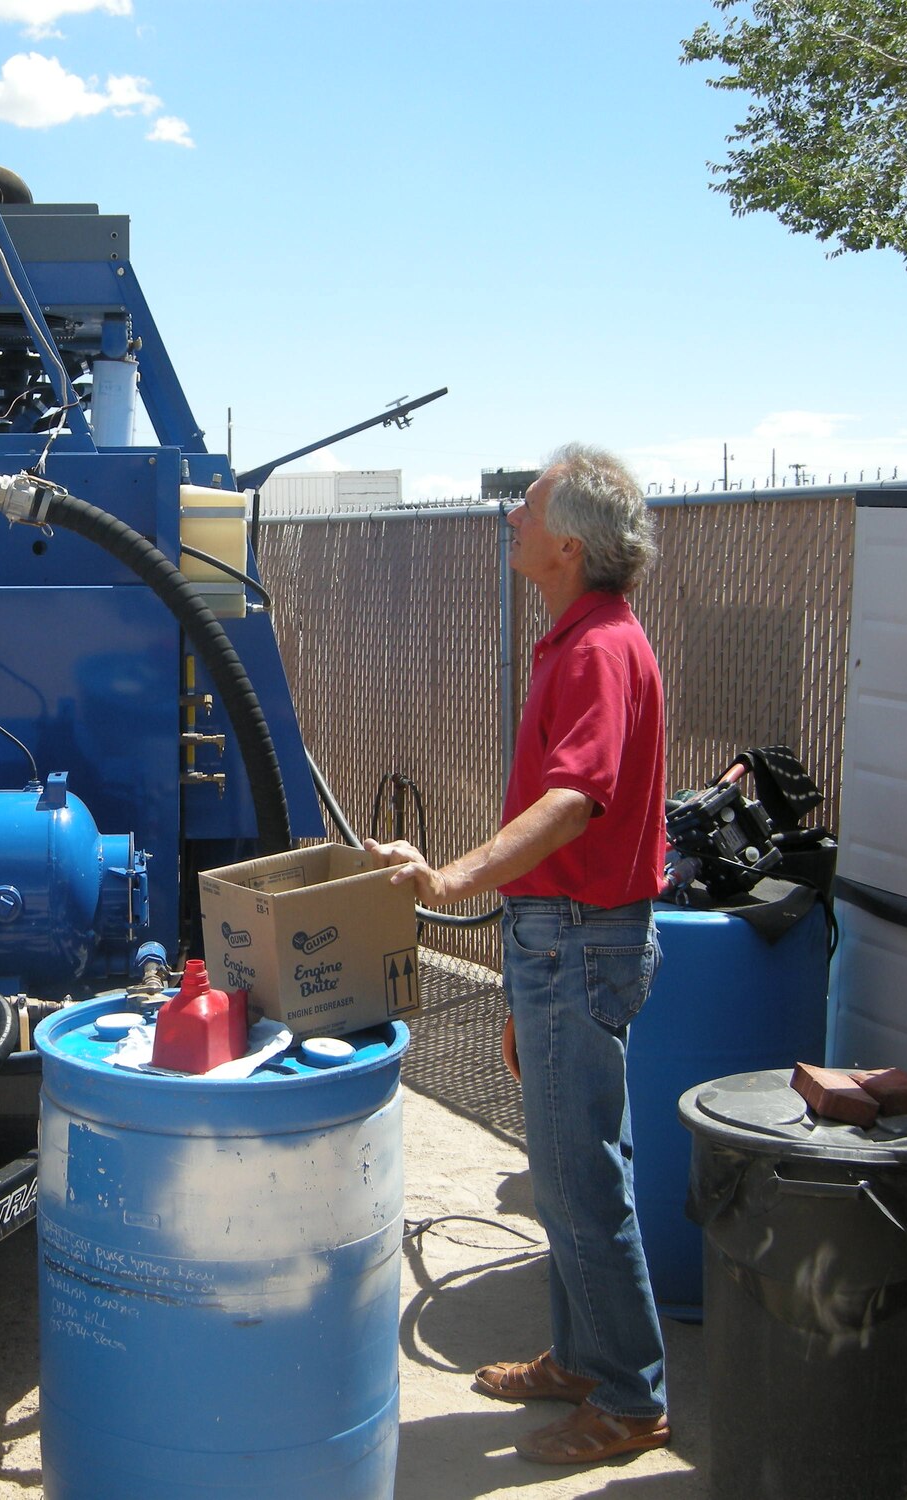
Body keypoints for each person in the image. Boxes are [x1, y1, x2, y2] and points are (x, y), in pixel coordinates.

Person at [366, 443, 670, 1465]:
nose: (511, 517)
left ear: (569, 545)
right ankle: (583, 1362)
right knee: (569, 1167)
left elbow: (573, 802)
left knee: (581, 1179)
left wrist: (450, 881)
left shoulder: (595, 651)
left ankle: (628, 1402)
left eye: (526, 507)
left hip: (577, 942)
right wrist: (516, 964)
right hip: (560, 941)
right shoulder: (579, 638)